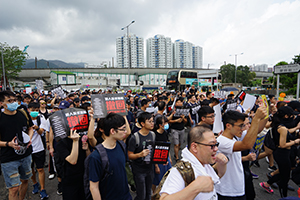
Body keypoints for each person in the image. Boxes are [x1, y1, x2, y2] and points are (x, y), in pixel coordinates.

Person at [160, 125, 228, 200]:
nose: (216, 149)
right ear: (195, 147)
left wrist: (222, 163)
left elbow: (217, 173)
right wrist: (196, 187)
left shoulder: (203, 164)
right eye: (212, 145)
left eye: (216, 144)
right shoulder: (180, 171)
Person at [216, 108, 267, 200]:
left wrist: (266, 114)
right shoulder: (221, 141)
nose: (242, 128)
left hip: (237, 188)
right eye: (240, 126)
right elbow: (247, 144)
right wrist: (255, 119)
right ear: (228, 126)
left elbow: (257, 130)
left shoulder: (234, 137)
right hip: (227, 191)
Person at [89, 113, 132, 200]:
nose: (125, 131)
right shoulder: (96, 156)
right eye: (123, 129)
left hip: (126, 196)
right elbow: (94, 187)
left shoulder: (121, 145)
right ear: (112, 131)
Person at [259, 106, 300, 197]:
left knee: (284, 173)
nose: (293, 118)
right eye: (292, 116)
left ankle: (268, 183)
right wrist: (295, 142)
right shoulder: (282, 128)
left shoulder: (279, 124)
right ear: (286, 116)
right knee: (284, 178)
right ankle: (283, 196)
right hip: (282, 153)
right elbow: (282, 145)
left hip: (283, 153)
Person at [0, 91, 34, 200]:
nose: (13, 103)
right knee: (13, 188)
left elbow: (30, 128)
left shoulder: (23, 113)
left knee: (25, 180)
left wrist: (29, 139)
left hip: (26, 155)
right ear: (1, 103)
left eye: (14, 100)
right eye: (9, 101)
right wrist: (8, 144)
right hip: (8, 158)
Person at [56, 130, 91, 200]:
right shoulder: (61, 143)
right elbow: (73, 161)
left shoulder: (81, 139)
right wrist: (75, 141)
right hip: (69, 180)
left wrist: (87, 150)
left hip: (83, 177)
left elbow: (88, 159)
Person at [128, 112, 155, 200]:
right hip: (139, 170)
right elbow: (129, 155)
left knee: (148, 194)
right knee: (141, 195)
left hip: (150, 169)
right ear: (142, 124)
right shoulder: (135, 137)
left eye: (153, 121)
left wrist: (158, 163)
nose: (152, 123)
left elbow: (154, 152)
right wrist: (139, 155)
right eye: (150, 121)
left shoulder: (153, 135)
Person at [27, 102, 49, 199]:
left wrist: (37, 128)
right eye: (32, 110)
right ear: (28, 110)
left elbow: (41, 132)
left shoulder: (41, 118)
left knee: (40, 169)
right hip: (27, 149)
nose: (34, 112)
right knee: (30, 169)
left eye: (36, 110)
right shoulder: (24, 118)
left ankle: (43, 189)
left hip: (39, 147)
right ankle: (35, 183)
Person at [152, 116, 172, 192]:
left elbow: (167, 146)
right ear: (160, 125)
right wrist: (156, 165)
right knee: (157, 179)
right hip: (157, 159)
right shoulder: (154, 135)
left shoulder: (165, 133)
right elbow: (153, 150)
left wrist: (169, 158)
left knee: (166, 176)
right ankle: (154, 194)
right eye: (165, 123)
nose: (167, 124)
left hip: (165, 157)